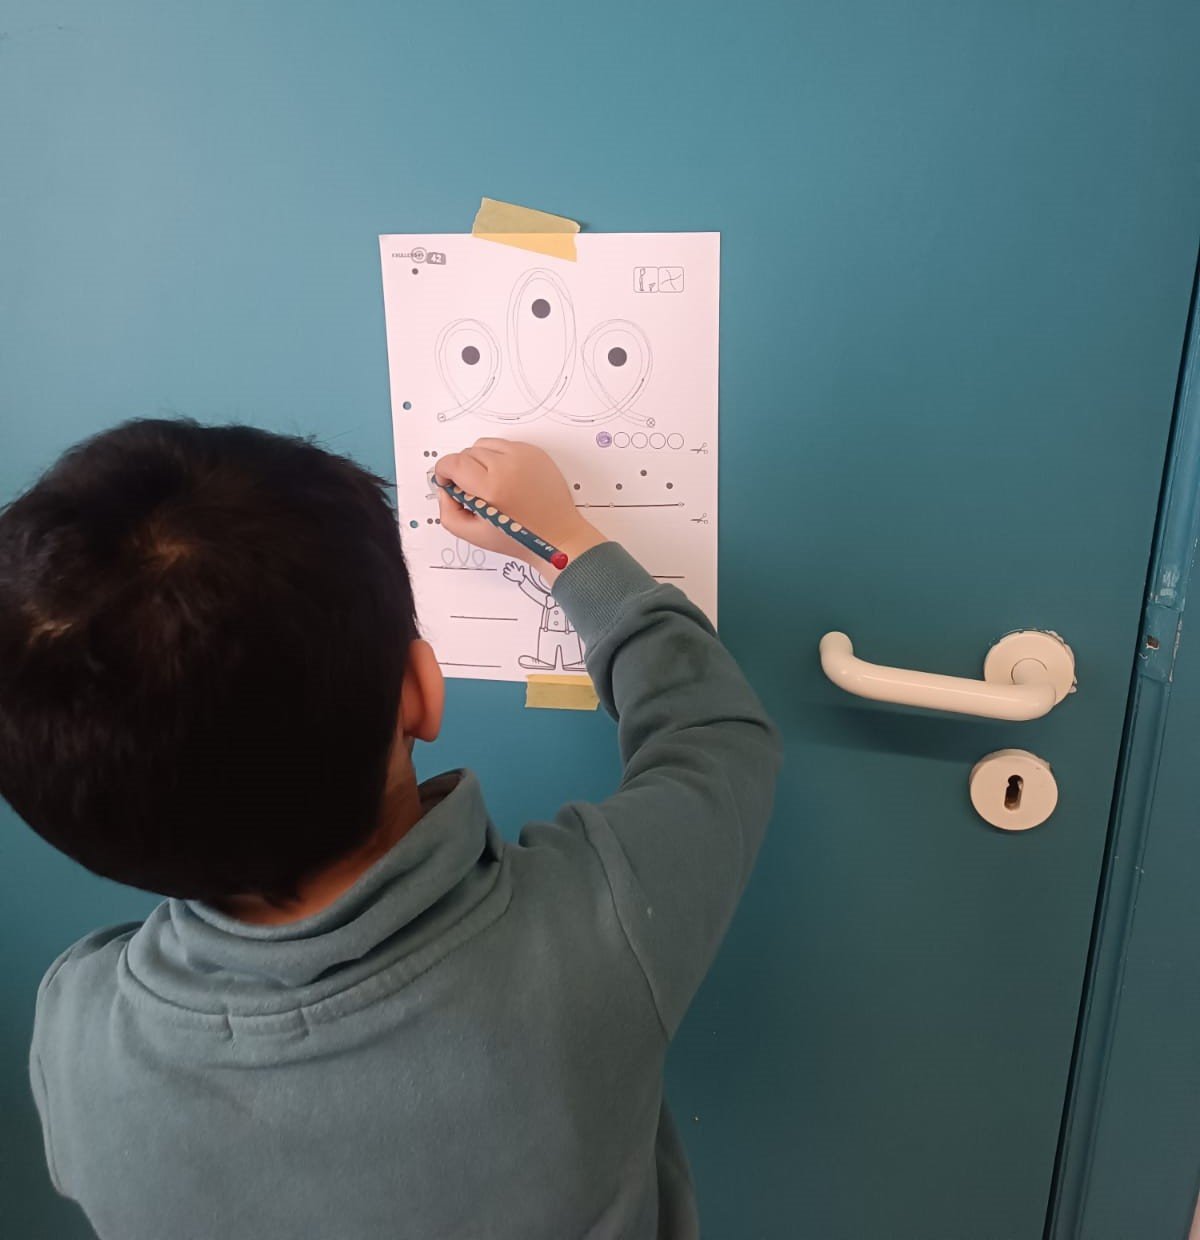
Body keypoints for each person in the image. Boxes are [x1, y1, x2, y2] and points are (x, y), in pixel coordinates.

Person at [0, 420, 781, 1240]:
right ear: (420, 691)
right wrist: (565, 545)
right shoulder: (602, 930)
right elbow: (715, 735)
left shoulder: (74, 1030)